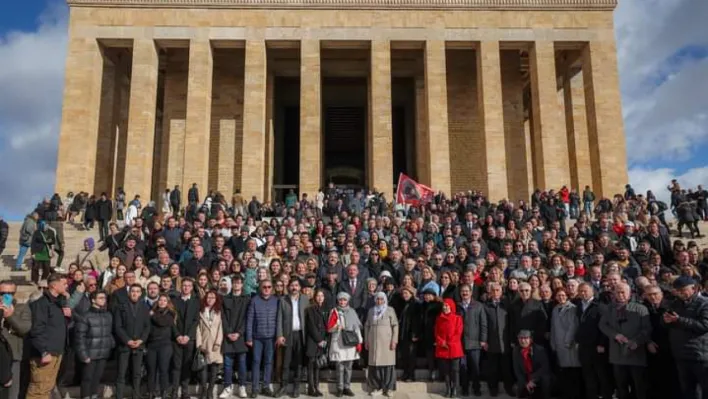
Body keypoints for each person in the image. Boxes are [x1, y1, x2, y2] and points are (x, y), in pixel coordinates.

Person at [599, 283, 651, 399]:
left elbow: (647, 329)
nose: (620, 295)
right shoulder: (609, 309)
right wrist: (615, 335)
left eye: (623, 292)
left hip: (636, 353)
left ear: (629, 294)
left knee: (639, 386)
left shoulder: (641, 309)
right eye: (618, 292)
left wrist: (636, 341)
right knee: (621, 386)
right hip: (617, 353)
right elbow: (603, 325)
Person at [664, 276, 708, 399]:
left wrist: (679, 320)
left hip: (699, 354)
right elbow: (668, 325)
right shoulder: (675, 304)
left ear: (694, 289)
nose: (680, 293)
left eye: (683, 290)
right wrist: (666, 320)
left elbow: (704, 325)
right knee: (688, 390)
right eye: (677, 290)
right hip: (681, 354)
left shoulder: (704, 303)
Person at [27, 273, 70, 399]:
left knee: (47, 388)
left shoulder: (58, 303)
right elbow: (37, 329)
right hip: (45, 353)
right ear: (54, 285)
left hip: (56, 352)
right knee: (38, 390)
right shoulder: (41, 304)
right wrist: (44, 351)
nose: (66, 286)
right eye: (64, 284)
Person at [75, 290, 115, 399]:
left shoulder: (108, 315)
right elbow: (79, 337)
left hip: (103, 354)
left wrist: (110, 345)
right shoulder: (85, 316)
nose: (103, 300)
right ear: (93, 300)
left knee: (97, 378)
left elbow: (109, 333)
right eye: (100, 298)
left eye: (104, 298)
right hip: (89, 354)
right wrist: (84, 355)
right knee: (87, 379)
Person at [575, 283, 612, 399]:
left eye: (585, 291)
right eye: (580, 291)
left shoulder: (600, 306)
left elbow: (605, 326)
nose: (583, 293)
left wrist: (602, 343)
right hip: (583, 346)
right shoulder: (578, 306)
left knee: (602, 375)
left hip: (597, 346)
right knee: (588, 375)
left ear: (592, 291)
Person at [114, 283, 151, 399]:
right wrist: (127, 340)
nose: (135, 293)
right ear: (129, 293)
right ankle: (119, 396)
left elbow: (147, 327)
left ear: (141, 294)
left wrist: (141, 340)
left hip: (139, 345)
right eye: (133, 291)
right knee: (121, 373)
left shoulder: (144, 307)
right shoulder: (121, 306)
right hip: (125, 345)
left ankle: (136, 395)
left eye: (137, 291)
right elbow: (118, 327)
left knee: (137, 373)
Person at [246, 279, 279, 398]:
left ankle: (266, 386)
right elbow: (249, 320)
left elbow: (278, 320)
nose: (267, 289)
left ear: (272, 288)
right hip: (257, 338)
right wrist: (249, 337)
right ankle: (255, 388)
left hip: (271, 338)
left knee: (268, 362)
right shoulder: (254, 301)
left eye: (269, 287)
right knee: (256, 362)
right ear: (260, 288)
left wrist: (278, 335)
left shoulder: (276, 301)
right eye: (264, 287)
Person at [276, 278, 309, 398]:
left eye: (296, 285)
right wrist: (279, 335)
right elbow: (279, 318)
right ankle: (283, 386)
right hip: (287, 334)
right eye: (292, 285)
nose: (294, 287)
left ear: (300, 287)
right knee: (286, 361)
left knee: (299, 362)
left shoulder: (305, 299)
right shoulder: (283, 300)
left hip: (300, 334)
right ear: (289, 287)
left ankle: (296, 387)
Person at [327, 292, 362, 397]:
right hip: (339, 342)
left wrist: (359, 342)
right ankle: (340, 388)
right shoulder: (334, 311)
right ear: (338, 301)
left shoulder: (352, 311)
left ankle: (347, 387)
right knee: (339, 367)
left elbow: (356, 328)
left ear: (348, 301)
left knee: (349, 367)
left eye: (344, 300)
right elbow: (329, 329)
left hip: (350, 343)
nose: (342, 302)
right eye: (340, 300)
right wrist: (337, 326)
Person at [0, 280, 31, 399]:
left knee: (12, 392)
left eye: (10, 293)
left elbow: (24, 328)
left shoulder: (21, 308)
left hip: (13, 354)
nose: (6, 296)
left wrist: (10, 316)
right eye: (2, 293)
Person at [220, 275, 250, 399]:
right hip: (228, 336)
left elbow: (247, 318)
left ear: (242, 284)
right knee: (227, 364)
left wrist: (239, 333)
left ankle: (242, 386)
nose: (237, 285)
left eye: (239, 283)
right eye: (235, 283)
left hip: (241, 336)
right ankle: (228, 387)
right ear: (232, 284)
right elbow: (223, 317)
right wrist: (227, 332)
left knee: (242, 363)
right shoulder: (225, 299)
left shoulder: (247, 299)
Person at [364, 292, 399, 397]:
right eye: (377, 299)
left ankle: (389, 389)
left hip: (387, 343)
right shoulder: (371, 311)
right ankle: (377, 387)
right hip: (374, 344)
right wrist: (367, 340)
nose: (379, 301)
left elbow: (395, 326)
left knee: (388, 366)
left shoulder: (390, 310)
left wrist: (394, 341)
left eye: (381, 299)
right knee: (375, 366)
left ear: (385, 300)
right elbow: (367, 326)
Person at [550, 289, 581, 399]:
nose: (561, 297)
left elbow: (574, 326)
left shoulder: (572, 308)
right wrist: (553, 343)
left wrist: (568, 341)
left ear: (567, 296)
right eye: (559, 295)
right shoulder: (555, 309)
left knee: (573, 370)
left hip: (570, 344)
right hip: (559, 344)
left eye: (563, 295)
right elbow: (553, 327)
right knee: (564, 371)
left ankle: (576, 394)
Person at [484, 282, 514, 397]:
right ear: (490, 292)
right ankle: (493, 388)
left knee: (506, 368)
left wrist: (511, 339)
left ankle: (508, 387)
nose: (495, 292)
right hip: (491, 341)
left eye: (498, 290)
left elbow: (511, 323)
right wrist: (484, 340)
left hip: (505, 341)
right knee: (493, 368)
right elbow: (484, 325)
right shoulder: (486, 306)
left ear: (501, 292)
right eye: (493, 290)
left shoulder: (507, 305)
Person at [457, 283, 487, 397]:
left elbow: (483, 324)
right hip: (461, 344)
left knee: (475, 368)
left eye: (466, 291)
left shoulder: (478, 306)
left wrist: (483, 340)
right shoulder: (458, 306)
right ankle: (464, 388)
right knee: (463, 368)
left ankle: (476, 388)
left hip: (475, 343)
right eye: (462, 291)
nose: (464, 293)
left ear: (471, 292)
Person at [173, 278, 200, 399]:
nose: (186, 288)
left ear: (191, 287)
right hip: (176, 338)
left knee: (186, 366)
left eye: (189, 286)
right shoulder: (174, 301)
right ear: (181, 287)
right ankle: (174, 391)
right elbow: (172, 321)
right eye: (184, 285)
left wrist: (188, 336)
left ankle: (184, 391)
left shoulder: (196, 301)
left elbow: (196, 321)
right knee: (176, 365)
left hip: (190, 338)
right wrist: (178, 335)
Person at [147, 293, 176, 399]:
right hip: (152, 345)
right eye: (160, 300)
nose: (162, 302)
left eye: (164, 300)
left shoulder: (170, 314)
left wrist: (152, 315)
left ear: (168, 303)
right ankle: (151, 392)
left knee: (163, 370)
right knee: (151, 370)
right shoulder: (151, 312)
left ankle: (164, 392)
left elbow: (162, 322)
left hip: (164, 345)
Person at [196, 290, 224, 399]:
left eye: (213, 297)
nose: (210, 299)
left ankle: (210, 390)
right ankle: (203, 390)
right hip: (204, 343)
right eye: (208, 297)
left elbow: (221, 328)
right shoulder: (200, 312)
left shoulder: (219, 312)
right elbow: (197, 329)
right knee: (203, 368)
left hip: (215, 344)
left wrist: (218, 342)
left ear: (216, 299)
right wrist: (199, 344)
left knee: (214, 369)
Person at [435, 298, 464, 398]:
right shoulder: (439, 318)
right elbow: (436, 332)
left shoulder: (457, 318)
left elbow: (458, 333)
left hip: (454, 348)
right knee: (446, 371)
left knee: (455, 370)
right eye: (444, 306)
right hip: (443, 348)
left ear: (451, 307)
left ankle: (455, 389)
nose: (445, 307)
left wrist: (449, 343)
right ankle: (448, 389)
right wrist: (442, 342)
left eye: (447, 306)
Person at [512, 330, 551, 399]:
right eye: (520, 338)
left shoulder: (540, 350)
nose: (523, 341)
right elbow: (517, 371)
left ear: (531, 339)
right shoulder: (515, 351)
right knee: (516, 388)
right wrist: (526, 383)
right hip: (526, 377)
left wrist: (532, 379)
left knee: (546, 378)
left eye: (525, 338)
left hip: (537, 376)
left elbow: (545, 367)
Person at [305, 289, 328, 397]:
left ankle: (316, 387)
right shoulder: (310, 309)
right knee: (311, 365)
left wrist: (324, 340)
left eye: (322, 296)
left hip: (321, 342)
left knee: (317, 366)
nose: (320, 298)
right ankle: (311, 388)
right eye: (318, 296)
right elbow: (311, 326)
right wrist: (319, 340)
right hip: (313, 341)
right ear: (314, 297)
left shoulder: (324, 309)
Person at [395, 286, 420, 383]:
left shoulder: (416, 304)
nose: (404, 295)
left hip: (412, 334)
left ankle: (411, 375)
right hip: (403, 333)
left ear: (411, 294)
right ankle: (405, 374)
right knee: (405, 355)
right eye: (403, 293)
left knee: (411, 355)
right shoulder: (403, 304)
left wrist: (415, 333)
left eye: (406, 293)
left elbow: (418, 321)